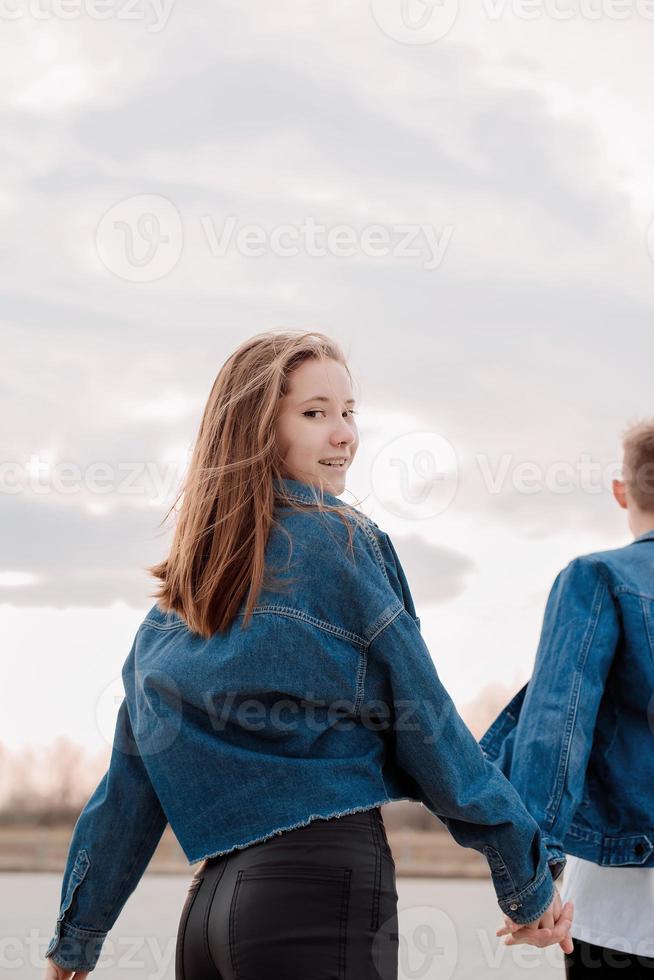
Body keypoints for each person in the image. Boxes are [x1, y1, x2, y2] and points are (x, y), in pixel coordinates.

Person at [43, 330, 572, 980]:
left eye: (349, 412)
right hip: (318, 893)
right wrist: (528, 878)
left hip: (210, 915)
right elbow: (427, 726)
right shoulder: (339, 542)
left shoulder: (181, 596)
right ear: (256, 429)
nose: (345, 434)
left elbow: (128, 786)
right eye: (316, 412)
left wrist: (76, 939)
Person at [482, 419, 654, 977]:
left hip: (626, 912)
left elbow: (557, 728)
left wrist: (531, 883)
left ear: (621, 491)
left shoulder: (599, 577)